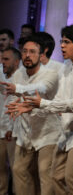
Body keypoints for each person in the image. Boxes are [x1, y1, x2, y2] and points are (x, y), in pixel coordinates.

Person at [7, 24, 73, 195]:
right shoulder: (67, 66)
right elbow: (58, 100)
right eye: (61, 41)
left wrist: (41, 104)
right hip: (67, 131)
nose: (62, 46)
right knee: (57, 177)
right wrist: (32, 108)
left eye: (66, 42)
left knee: (72, 178)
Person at [4, 36, 60, 195]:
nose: (27, 55)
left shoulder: (51, 74)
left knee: (44, 172)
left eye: (33, 52)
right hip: (25, 131)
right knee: (18, 169)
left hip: (48, 132)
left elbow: (40, 88)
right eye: (25, 51)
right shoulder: (19, 74)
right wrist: (10, 126)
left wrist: (18, 88)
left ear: (41, 55)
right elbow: (13, 101)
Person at [0, 47, 20, 195]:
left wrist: (12, 128)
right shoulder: (1, 74)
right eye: (2, 59)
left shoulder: (23, 79)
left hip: (15, 133)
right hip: (1, 131)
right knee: (1, 172)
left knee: (17, 171)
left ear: (16, 61)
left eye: (6, 59)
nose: (3, 62)